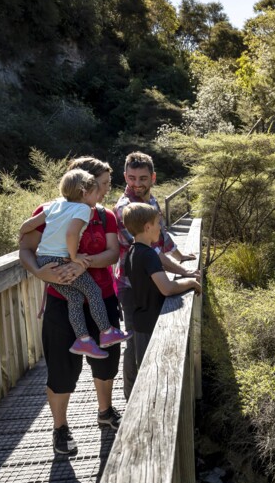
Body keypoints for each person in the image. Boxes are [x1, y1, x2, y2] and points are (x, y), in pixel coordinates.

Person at [18, 157, 124, 455]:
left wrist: (83, 265)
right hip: (60, 302)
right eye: (102, 185)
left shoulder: (106, 216)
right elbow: (25, 248)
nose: (105, 191)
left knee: (106, 361)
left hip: (102, 298)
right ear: (83, 186)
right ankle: (60, 428)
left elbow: (113, 253)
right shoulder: (50, 210)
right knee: (62, 368)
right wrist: (40, 272)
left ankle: (105, 412)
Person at [19, 169, 131, 359]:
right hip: (60, 260)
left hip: (44, 260)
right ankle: (106, 332)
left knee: (75, 298)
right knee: (93, 291)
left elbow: (30, 223)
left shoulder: (56, 204)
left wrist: (21, 231)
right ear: (84, 193)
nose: (100, 196)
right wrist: (75, 256)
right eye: (97, 191)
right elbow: (72, 234)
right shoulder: (83, 208)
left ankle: (83, 340)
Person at [114, 151, 199, 400]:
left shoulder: (151, 203)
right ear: (125, 177)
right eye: (131, 178)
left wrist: (181, 256)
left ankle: (154, 392)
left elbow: (162, 237)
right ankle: (131, 398)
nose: (137, 184)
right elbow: (149, 251)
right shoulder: (125, 209)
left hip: (153, 280)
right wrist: (183, 272)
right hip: (132, 286)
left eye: (142, 178)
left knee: (153, 337)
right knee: (133, 343)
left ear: (153, 177)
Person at [121, 203, 201, 377]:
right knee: (154, 373)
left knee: (146, 372)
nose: (160, 228)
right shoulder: (148, 254)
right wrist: (191, 283)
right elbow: (167, 288)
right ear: (147, 227)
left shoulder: (132, 252)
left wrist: (184, 273)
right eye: (158, 223)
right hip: (152, 324)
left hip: (141, 321)